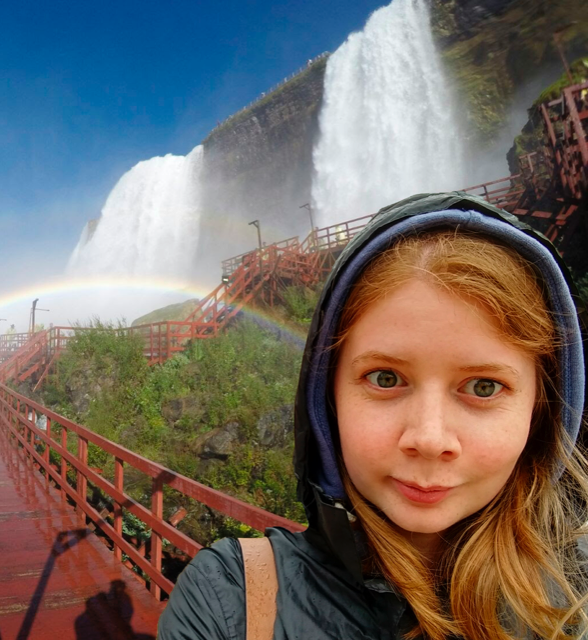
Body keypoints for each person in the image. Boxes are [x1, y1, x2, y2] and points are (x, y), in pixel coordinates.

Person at [158, 192, 588, 639]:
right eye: (385, 378)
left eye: (483, 387)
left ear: (542, 411)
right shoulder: (228, 600)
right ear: (327, 399)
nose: (428, 437)